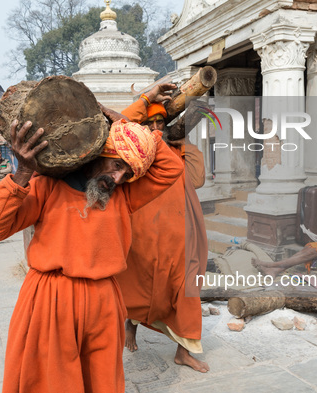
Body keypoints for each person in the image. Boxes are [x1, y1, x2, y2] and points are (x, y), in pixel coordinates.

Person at [0, 90, 183, 392]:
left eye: (127, 174)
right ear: (101, 155)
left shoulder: (123, 196)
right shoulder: (48, 186)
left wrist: (119, 118)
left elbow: (172, 168)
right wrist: (23, 172)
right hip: (52, 298)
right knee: (52, 383)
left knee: (103, 383)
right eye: (116, 166)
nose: (117, 179)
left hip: (105, 301)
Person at [116, 100, 210, 373]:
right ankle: (130, 325)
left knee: (186, 289)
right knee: (139, 285)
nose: (156, 128)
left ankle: (185, 351)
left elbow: (198, 179)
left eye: (160, 123)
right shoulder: (135, 152)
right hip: (144, 233)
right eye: (150, 123)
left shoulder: (178, 151)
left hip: (181, 234)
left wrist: (184, 143)